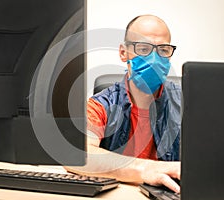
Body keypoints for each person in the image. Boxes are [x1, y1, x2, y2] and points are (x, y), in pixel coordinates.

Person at [66, 14, 181, 193]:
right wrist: (146, 169)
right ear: (123, 53)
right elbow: (76, 155)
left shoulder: (189, 104)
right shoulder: (102, 105)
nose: (154, 58)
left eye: (163, 50)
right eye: (143, 49)